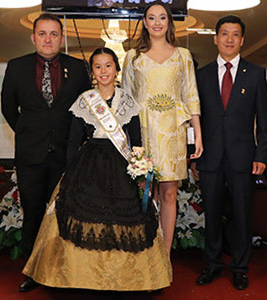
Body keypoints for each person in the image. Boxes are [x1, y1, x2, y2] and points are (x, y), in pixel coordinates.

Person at [22, 48, 172, 291]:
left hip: (121, 165)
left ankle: (134, 279)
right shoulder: (85, 100)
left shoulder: (128, 101)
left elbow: (136, 139)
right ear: (92, 71)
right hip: (88, 164)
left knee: (126, 219)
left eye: (108, 65)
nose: (103, 71)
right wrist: (69, 172)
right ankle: (76, 277)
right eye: (98, 66)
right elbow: (73, 141)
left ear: (116, 69)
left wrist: (140, 168)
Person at [1, 13, 90, 292]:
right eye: (42, 34)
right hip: (31, 155)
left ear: (61, 39)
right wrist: (30, 134)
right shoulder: (16, 67)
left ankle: (64, 270)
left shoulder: (77, 68)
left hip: (67, 155)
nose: (48, 39)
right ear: (33, 37)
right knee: (34, 214)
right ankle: (33, 270)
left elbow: (86, 108)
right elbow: (8, 108)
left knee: (64, 214)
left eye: (53, 34)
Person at [194, 15, 267, 290]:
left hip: (243, 159)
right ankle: (212, 264)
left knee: (241, 214)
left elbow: (264, 120)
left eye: (235, 34)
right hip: (210, 158)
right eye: (224, 34)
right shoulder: (200, 75)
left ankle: (239, 267)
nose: (229, 39)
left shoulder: (256, 74)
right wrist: (194, 154)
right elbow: (195, 118)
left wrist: (262, 157)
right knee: (211, 213)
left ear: (242, 40)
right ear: (215, 38)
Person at [121, 2, 203, 255]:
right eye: (151, 18)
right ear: (144, 22)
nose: (157, 22)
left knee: (168, 194)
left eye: (162, 18)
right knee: (146, 193)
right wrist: (125, 140)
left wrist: (198, 134)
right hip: (143, 133)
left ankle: (164, 254)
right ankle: (146, 248)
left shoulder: (183, 56)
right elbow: (126, 100)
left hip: (173, 132)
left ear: (169, 22)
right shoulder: (132, 57)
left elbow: (191, 96)